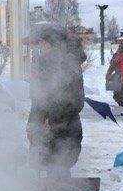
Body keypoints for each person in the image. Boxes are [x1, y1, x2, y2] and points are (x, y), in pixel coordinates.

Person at [27, 25, 85, 177]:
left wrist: (40, 123)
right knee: (59, 170)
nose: (40, 47)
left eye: (42, 43)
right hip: (66, 126)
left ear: (50, 44)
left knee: (55, 172)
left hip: (55, 127)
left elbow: (40, 99)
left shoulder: (51, 65)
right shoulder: (68, 63)